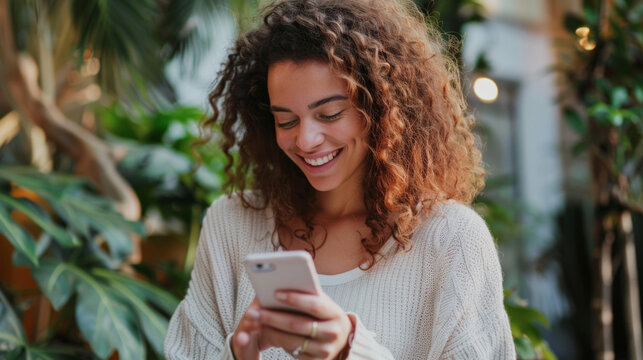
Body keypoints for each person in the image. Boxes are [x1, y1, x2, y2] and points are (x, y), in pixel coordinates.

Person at [164, 0, 515, 358]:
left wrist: (350, 348)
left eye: (329, 114)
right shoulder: (232, 225)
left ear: (379, 110)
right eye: (286, 120)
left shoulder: (450, 240)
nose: (305, 140)